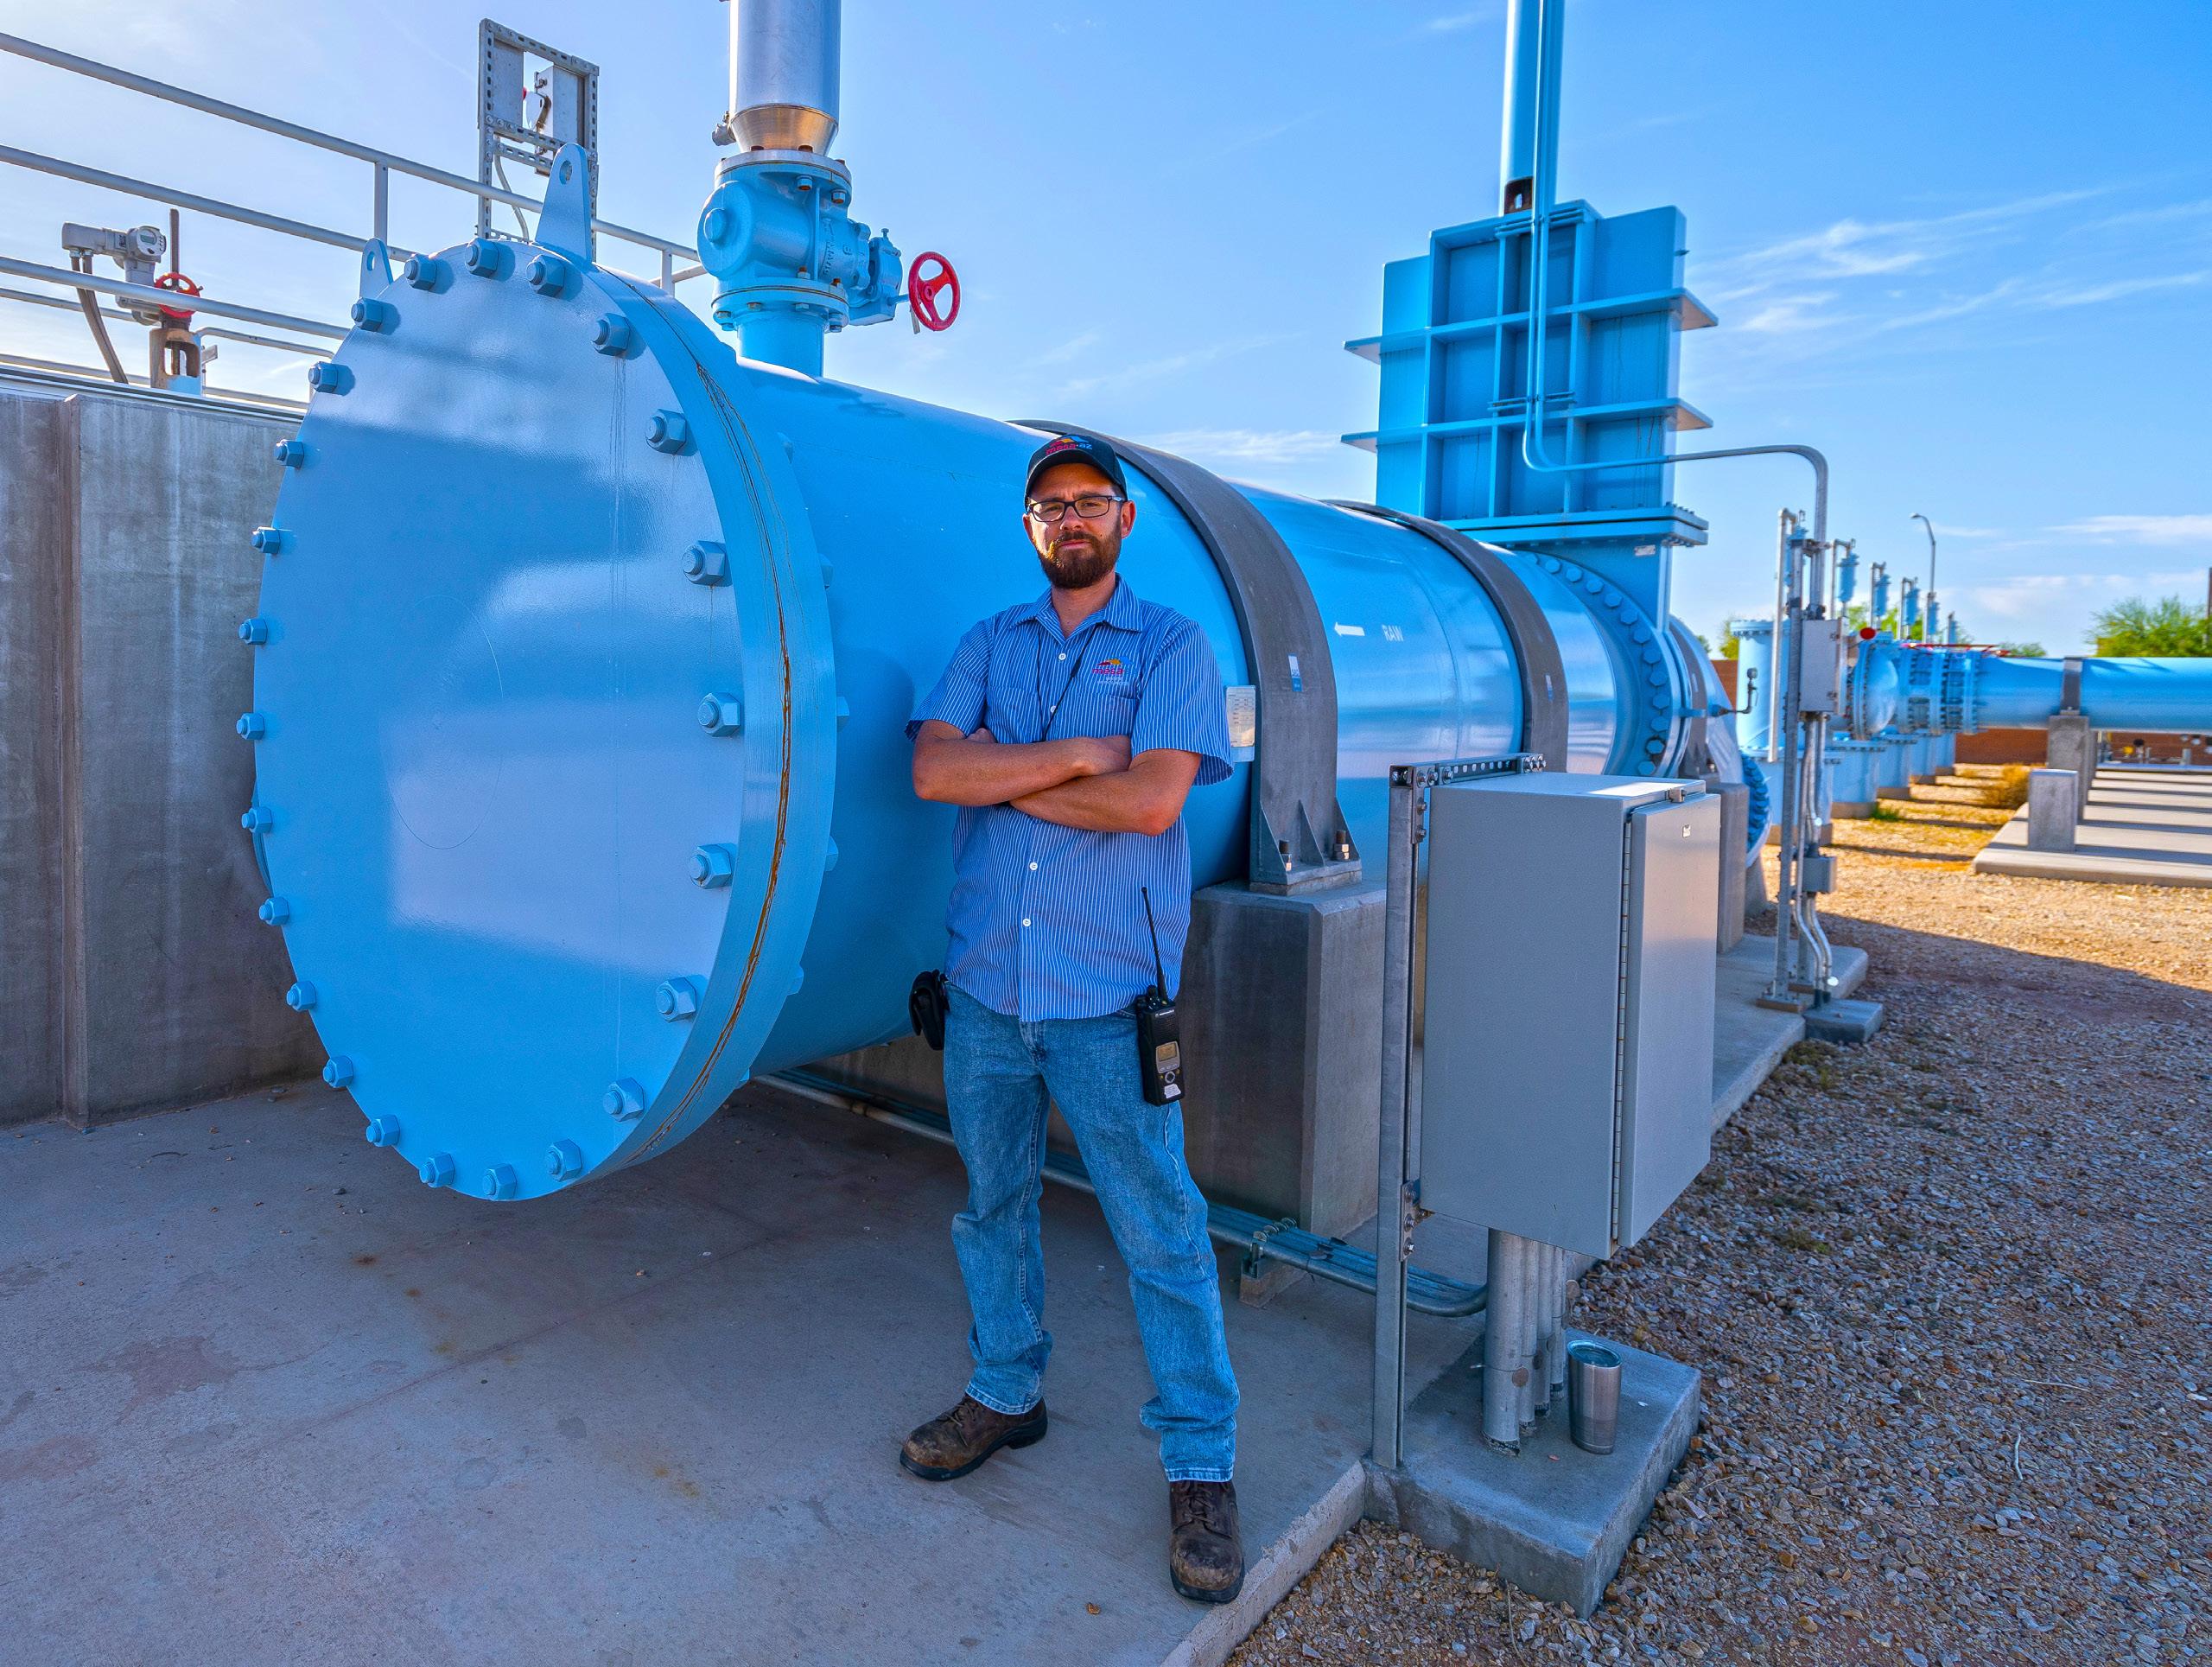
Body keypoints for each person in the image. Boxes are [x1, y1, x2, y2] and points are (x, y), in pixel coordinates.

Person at [900, 432, 1245, 1604]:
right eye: (1050, 506)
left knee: (1161, 1229)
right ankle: (1007, 1391)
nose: (1070, 519)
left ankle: (1200, 1463)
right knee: (992, 1206)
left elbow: (1151, 803)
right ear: (1031, 526)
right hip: (989, 993)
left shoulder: (1174, 645)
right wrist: (1079, 757)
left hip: (1106, 999)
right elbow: (934, 774)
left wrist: (1012, 771)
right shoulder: (988, 642)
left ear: (1125, 517)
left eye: (1090, 501)